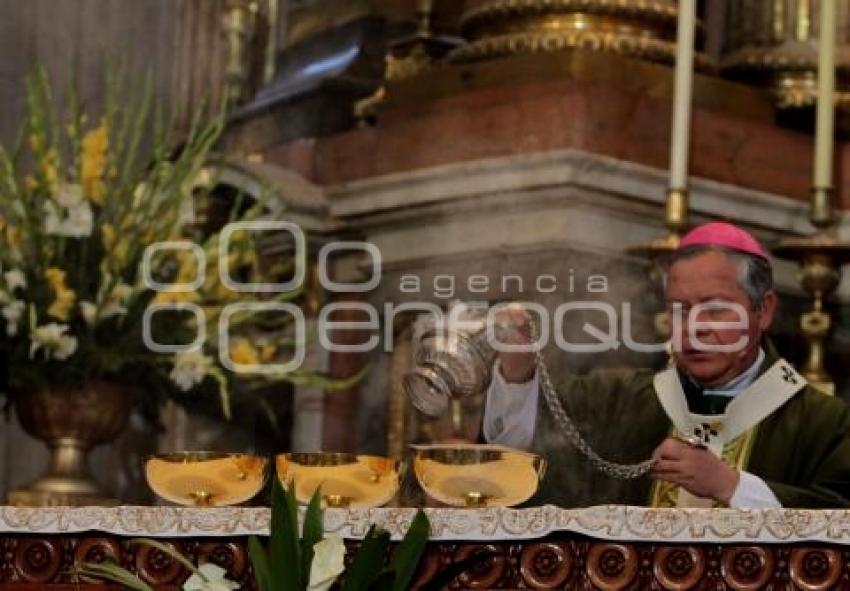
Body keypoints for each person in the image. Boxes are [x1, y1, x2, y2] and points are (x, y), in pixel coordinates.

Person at [484, 222, 850, 508]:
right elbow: (523, 449)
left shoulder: (825, 424)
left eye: (715, 308)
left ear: (763, 310)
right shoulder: (620, 400)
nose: (693, 328)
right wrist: (518, 370)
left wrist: (729, 485)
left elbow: (840, 517)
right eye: (679, 309)